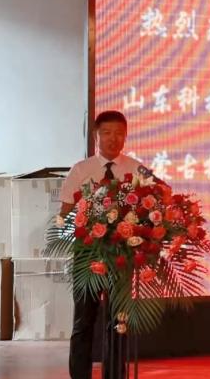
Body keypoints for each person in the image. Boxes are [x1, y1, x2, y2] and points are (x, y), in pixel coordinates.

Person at [58, 110, 141, 379]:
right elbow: (64, 213)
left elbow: (155, 200)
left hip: (120, 256)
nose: (113, 139)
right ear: (96, 136)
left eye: (119, 133)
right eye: (107, 133)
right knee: (84, 322)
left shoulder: (136, 169)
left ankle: (114, 375)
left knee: (118, 322)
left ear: (125, 136)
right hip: (88, 255)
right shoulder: (81, 170)